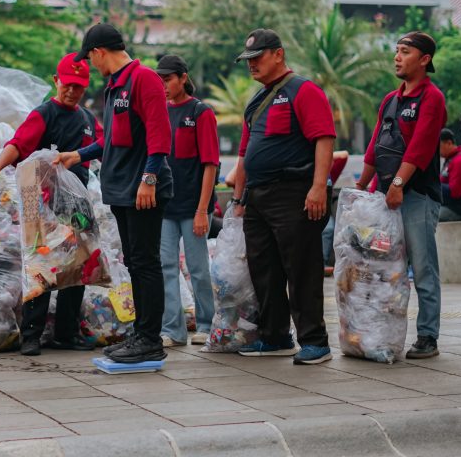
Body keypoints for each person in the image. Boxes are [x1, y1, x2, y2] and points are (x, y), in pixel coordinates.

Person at [56, 23, 173, 364]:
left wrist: (149, 177)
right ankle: (141, 332)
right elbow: (112, 139)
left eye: (90, 58)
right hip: (122, 189)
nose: (91, 65)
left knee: (146, 263)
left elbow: (159, 134)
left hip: (142, 190)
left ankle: (151, 339)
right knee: (135, 263)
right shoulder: (114, 87)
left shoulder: (144, 79)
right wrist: (79, 155)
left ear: (99, 52)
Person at [0, 52, 102, 356]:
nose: (72, 91)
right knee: (40, 267)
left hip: (76, 201)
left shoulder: (87, 119)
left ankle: (66, 332)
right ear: (56, 81)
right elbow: (17, 145)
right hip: (39, 201)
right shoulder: (43, 114)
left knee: (76, 267)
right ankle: (31, 335)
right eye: (68, 85)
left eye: (79, 87)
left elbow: (106, 145)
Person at [231, 28, 336, 365]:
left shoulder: (303, 91)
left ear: (278, 54)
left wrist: (318, 186)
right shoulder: (257, 99)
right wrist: (238, 198)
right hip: (257, 196)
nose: (252, 65)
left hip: (294, 191)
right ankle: (275, 336)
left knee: (301, 267)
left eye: (257, 58)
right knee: (264, 269)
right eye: (247, 60)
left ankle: (315, 342)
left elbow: (324, 139)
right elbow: (245, 153)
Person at [356, 31, 446, 359]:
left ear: (424, 60)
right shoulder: (391, 100)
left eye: (405, 52)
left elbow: (420, 146)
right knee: (384, 269)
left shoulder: (431, 98)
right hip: (385, 198)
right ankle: (379, 333)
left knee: (423, 267)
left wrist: (397, 185)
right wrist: (361, 187)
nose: (397, 57)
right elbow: (374, 147)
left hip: (416, 197)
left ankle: (428, 336)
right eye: (396, 51)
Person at [154, 54, 218, 347]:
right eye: (160, 80)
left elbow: (210, 165)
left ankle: (206, 323)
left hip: (193, 207)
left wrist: (203, 209)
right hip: (165, 207)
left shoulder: (201, 112)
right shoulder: (159, 112)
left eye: (167, 79)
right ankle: (173, 330)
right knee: (166, 266)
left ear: (182, 78)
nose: (163, 85)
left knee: (198, 269)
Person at [322, 150, 350, 275]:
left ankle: (322, 262)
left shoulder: (329, 174)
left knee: (328, 229)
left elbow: (344, 155)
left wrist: (322, 154)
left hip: (323, 209)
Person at [439, 128, 461, 222]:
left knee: (431, 215)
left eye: (439, 146)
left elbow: (455, 192)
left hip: (457, 209)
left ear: (449, 143)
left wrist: (433, 183)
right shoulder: (449, 160)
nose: (437, 150)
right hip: (448, 205)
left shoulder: (459, 161)